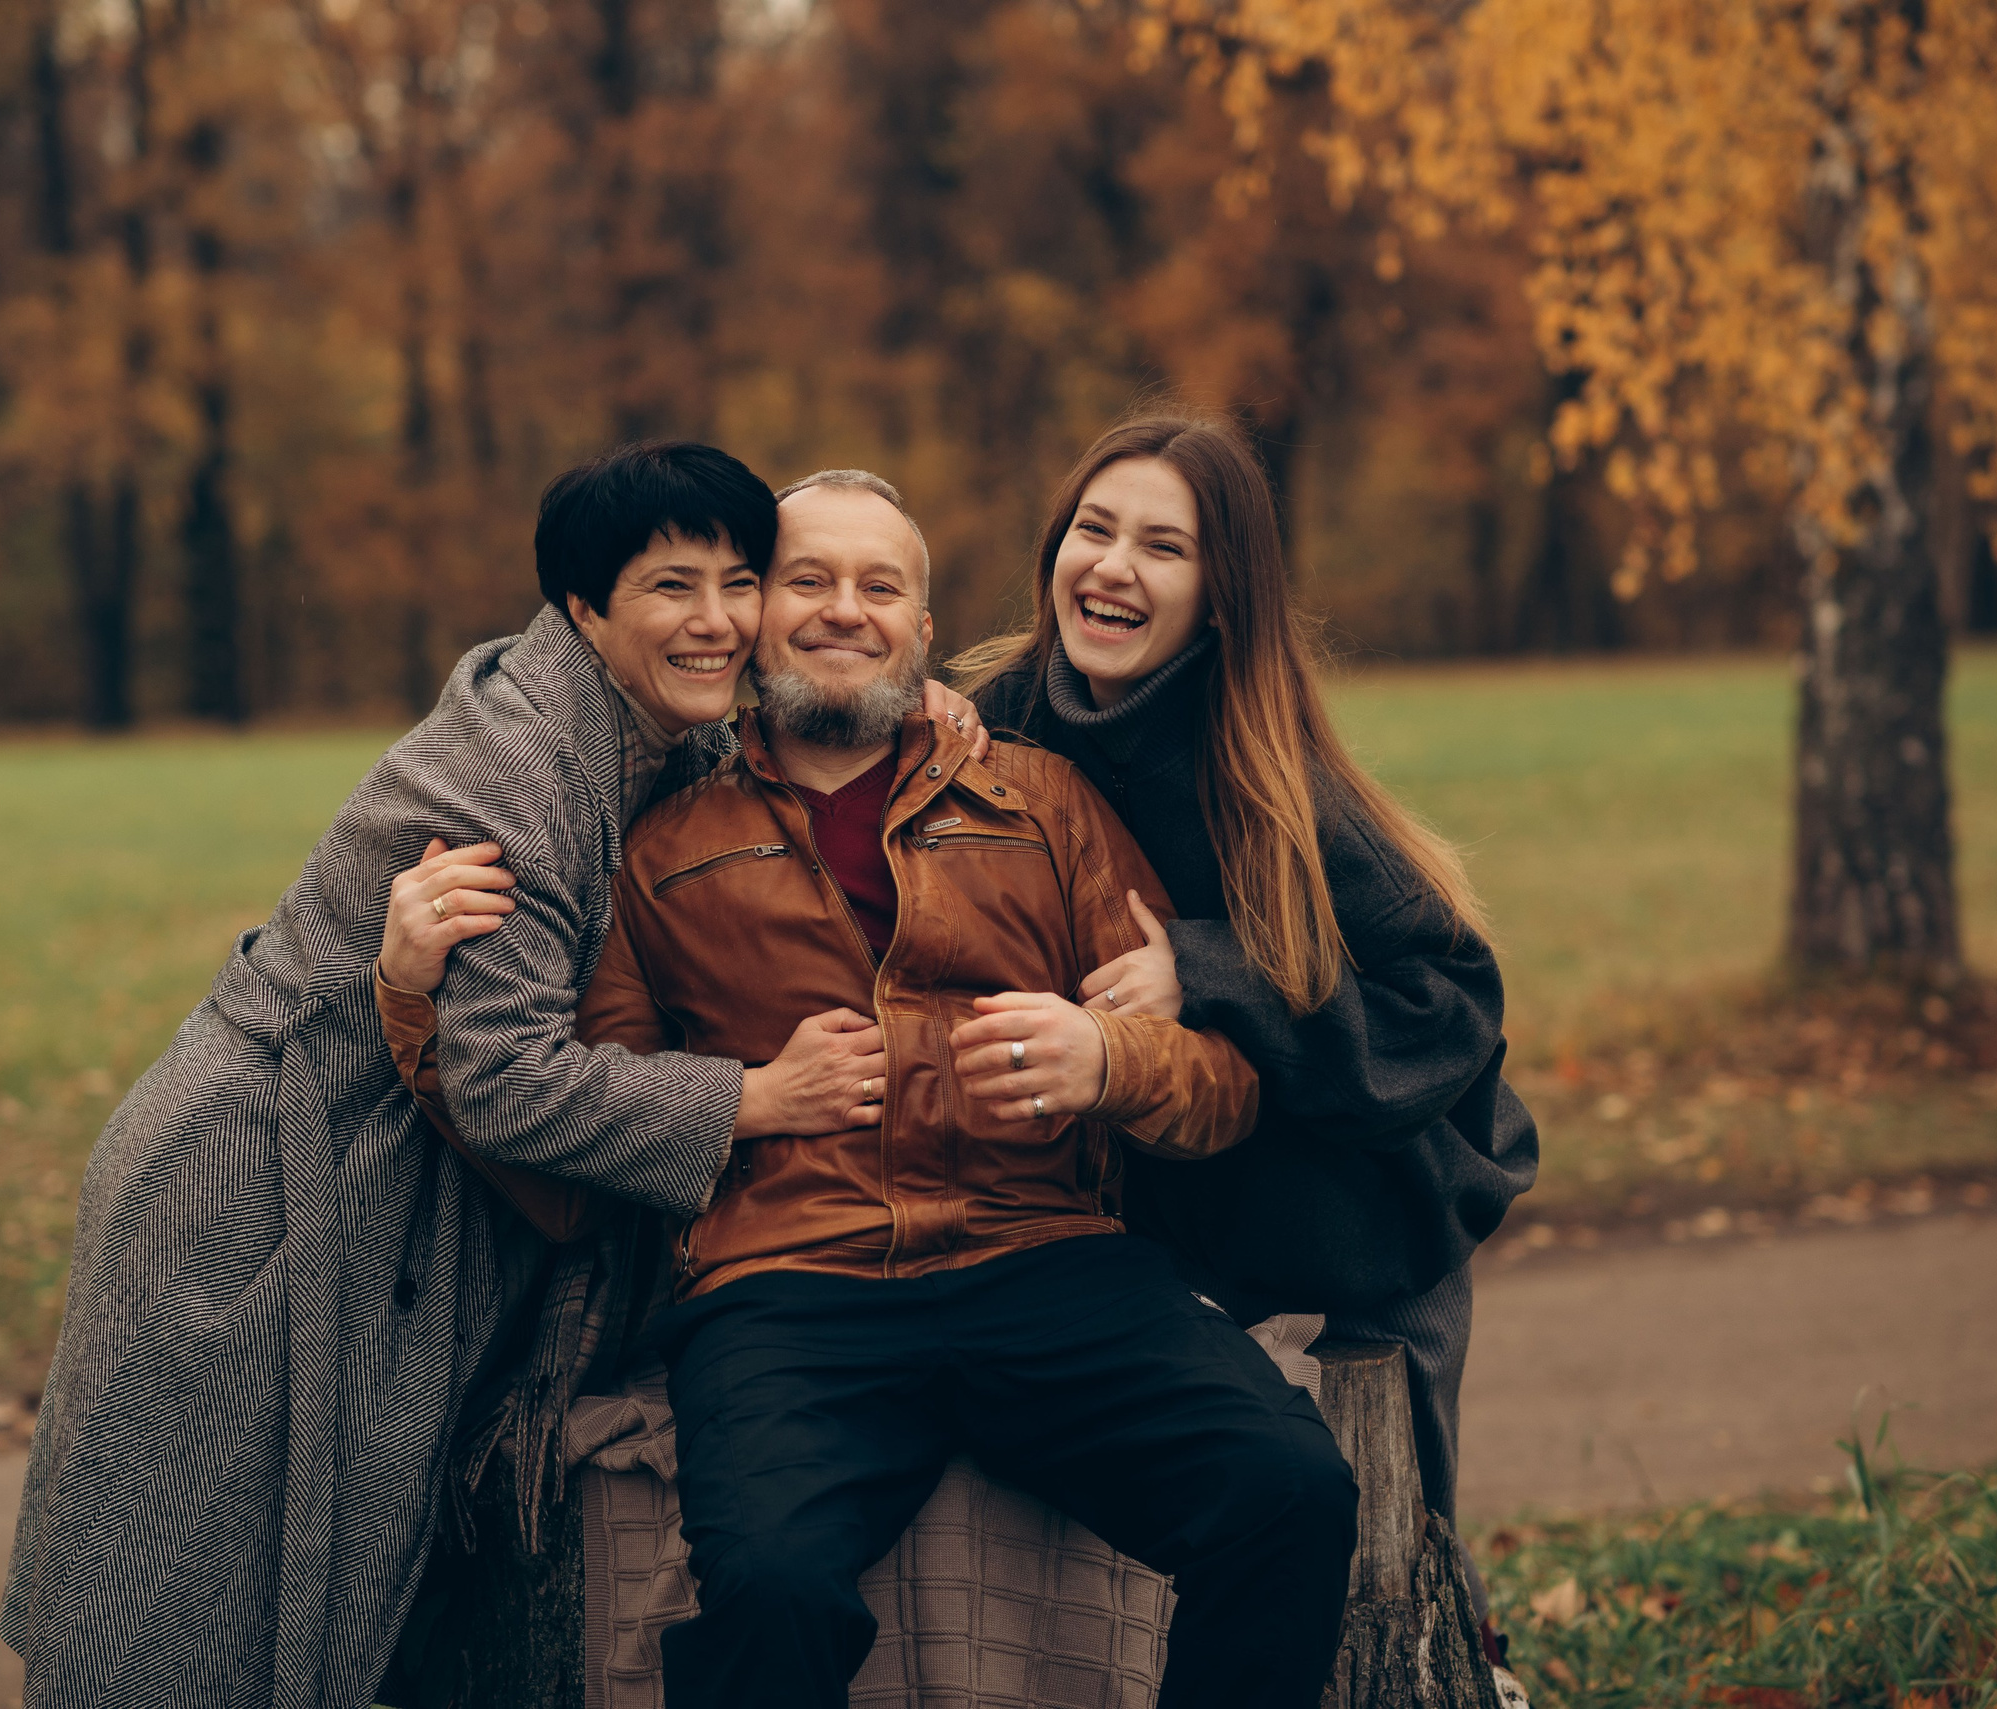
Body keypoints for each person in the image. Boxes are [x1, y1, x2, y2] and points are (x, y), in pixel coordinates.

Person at [1, 441, 982, 1709]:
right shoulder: (503, 783)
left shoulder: (640, 716)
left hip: (389, 1168)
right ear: (585, 609)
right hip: (258, 1184)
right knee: (194, 1566)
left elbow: (813, 711)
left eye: (740, 582)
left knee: (302, 1570)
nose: (720, 621)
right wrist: (752, 1097)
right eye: (671, 587)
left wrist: (928, 705)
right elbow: (511, 1079)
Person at [377, 469, 1359, 1709]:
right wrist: (416, 1006)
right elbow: (573, 1151)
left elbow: (1220, 1088)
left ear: (923, 631)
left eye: (879, 584)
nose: (845, 608)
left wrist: (1106, 1061)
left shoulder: (1044, 802)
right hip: (787, 1290)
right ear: (756, 617)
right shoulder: (660, 846)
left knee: (1292, 1490)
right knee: (774, 1588)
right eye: (809, 579)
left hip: (1045, 1260)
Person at [951, 413, 1540, 1636]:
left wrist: (1205, 976)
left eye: (1161, 546)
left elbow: (1452, 999)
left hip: (1358, 1187)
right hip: (1153, 1168)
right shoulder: (995, 718)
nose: (1111, 565)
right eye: (1093, 529)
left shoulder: (1265, 765)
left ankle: (1461, 1656)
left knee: (1386, 1538)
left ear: (1220, 597)